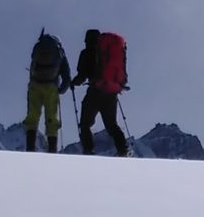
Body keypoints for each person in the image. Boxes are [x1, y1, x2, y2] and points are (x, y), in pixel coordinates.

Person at [74, 28, 128, 157]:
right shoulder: (107, 53)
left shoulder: (86, 53)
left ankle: (88, 150)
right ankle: (123, 150)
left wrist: (73, 83)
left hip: (95, 91)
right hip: (111, 91)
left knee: (86, 123)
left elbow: (82, 75)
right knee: (112, 125)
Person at [24, 29, 70, 152]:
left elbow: (33, 62)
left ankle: (30, 148)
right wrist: (62, 89)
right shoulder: (60, 51)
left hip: (35, 84)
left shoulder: (39, 47)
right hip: (51, 87)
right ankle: (52, 150)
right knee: (51, 118)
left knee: (32, 115)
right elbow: (66, 74)